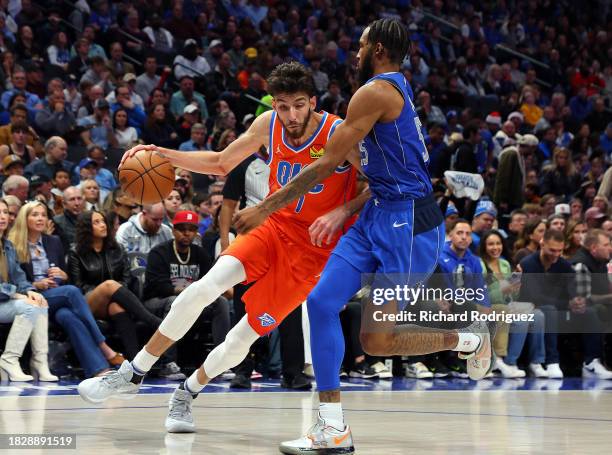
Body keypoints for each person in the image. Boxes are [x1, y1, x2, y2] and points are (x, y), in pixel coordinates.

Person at [232, 20, 493, 453]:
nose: (355, 52)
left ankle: (466, 338)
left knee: (377, 341)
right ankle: (332, 427)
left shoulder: (375, 91)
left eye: (360, 45)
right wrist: (346, 208)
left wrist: (264, 208)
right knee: (320, 301)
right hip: (377, 212)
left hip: (410, 224)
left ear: (377, 49)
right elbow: (370, 172)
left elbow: (324, 163)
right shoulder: (388, 89)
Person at [77, 62, 365, 437]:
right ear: (273, 105)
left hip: (313, 252)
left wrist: (343, 210)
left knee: (240, 341)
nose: (291, 115)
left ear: (312, 102)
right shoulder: (268, 126)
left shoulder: (339, 133)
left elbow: (377, 183)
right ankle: (133, 373)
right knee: (203, 289)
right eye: (282, 106)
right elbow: (220, 162)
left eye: (298, 105)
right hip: (274, 229)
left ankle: (188, 390)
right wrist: (160, 153)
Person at [9, 201, 123, 377]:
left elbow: (65, 277)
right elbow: (13, 279)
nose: (40, 218)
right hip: (30, 296)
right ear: (24, 219)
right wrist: (36, 285)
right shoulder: (14, 244)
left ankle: (99, 369)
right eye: (34, 215)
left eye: (43, 215)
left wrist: (63, 275)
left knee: (67, 315)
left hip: (55, 296)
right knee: (71, 292)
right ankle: (103, 346)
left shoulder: (53, 241)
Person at [143, 210, 230, 380]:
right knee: (174, 302)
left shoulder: (200, 254)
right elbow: (159, 286)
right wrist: (190, 293)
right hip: (156, 301)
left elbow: (210, 281)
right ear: (173, 230)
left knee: (221, 302)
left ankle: (220, 361)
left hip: (191, 301)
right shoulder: (159, 252)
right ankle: (169, 363)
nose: (186, 233)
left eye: (191, 229)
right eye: (182, 228)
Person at [69, 210, 161, 360]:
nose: (103, 225)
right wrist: (104, 292)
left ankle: (135, 363)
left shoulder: (117, 249)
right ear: (86, 227)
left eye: (103, 221)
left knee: (115, 307)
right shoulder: (76, 252)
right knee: (109, 285)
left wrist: (111, 295)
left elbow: (127, 278)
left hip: (114, 300)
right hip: (87, 302)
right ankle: (152, 320)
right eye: (96, 222)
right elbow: (78, 286)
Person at [0, 198, 57, 382]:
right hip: (4, 300)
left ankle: (39, 362)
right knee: (29, 306)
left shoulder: (7, 245)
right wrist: (15, 293)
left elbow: (19, 276)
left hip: (5, 302)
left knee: (39, 302)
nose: (2, 217)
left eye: (5, 213)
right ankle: (9, 358)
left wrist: (30, 290)